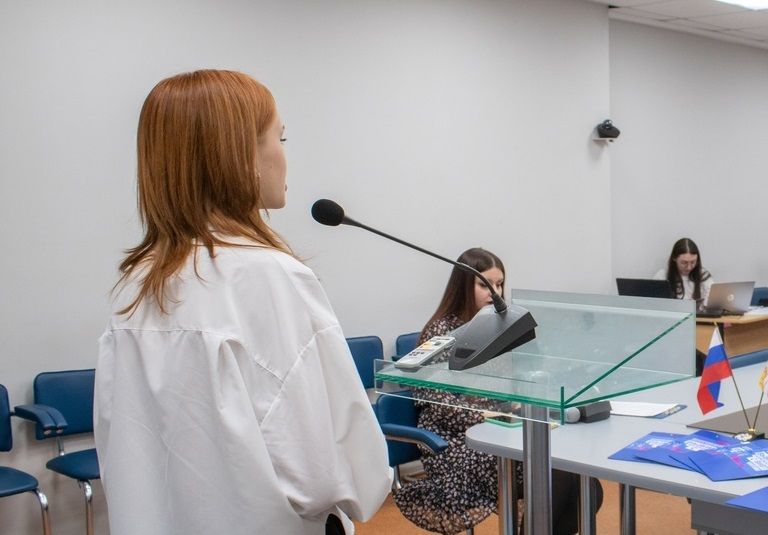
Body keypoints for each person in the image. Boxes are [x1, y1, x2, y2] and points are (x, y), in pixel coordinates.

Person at [95, 70, 391, 535]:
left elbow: (127, 449)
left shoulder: (137, 284)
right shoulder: (270, 277)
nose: (285, 157)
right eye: (280, 138)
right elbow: (335, 474)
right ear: (242, 156)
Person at [397, 248, 601, 534]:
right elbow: (437, 402)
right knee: (558, 474)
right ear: (463, 286)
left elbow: (516, 382)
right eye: (485, 284)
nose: (495, 292)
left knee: (585, 484)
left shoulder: (499, 326)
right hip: (457, 446)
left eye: (500, 283)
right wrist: (493, 416)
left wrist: (516, 404)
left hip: (502, 433)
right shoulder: (441, 330)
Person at [656, 238, 713, 308]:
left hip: (698, 314)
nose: (689, 267)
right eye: (684, 262)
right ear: (674, 258)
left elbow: (712, 300)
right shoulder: (662, 276)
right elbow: (656, 304)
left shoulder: (703, 275)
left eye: (693, 262)